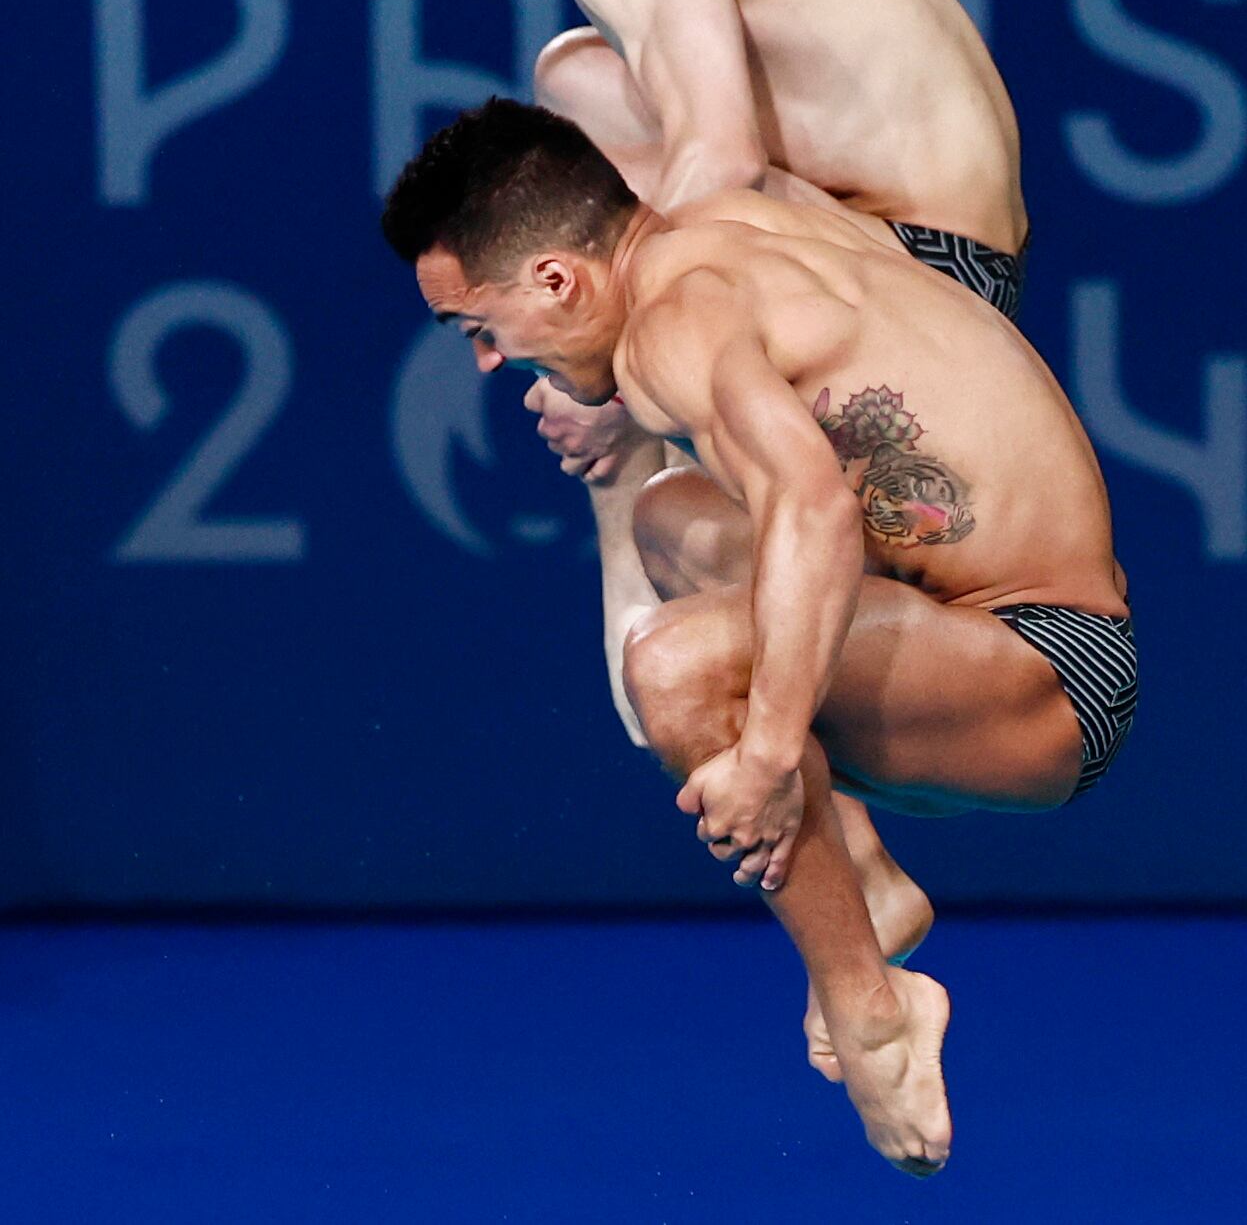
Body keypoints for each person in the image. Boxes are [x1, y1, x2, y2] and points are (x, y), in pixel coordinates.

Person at [380, 100, 1139, 1177]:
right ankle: (868, 879)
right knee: (668, 520)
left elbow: (815, 509)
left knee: (676, 669)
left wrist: (773, 756)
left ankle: (874, 1013)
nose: (490, 363)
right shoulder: (725, 227)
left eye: (478, 327)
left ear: (558, 278)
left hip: (1043, 668)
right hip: (987, 632)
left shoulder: (669, 323)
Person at [391, 0, 1036, 906]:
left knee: (586, 183)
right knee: (579, 81)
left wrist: (620, 383)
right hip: (929, 245)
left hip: (913, 271)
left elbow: (723, 158)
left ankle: (624, 508)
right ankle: (823, 796)